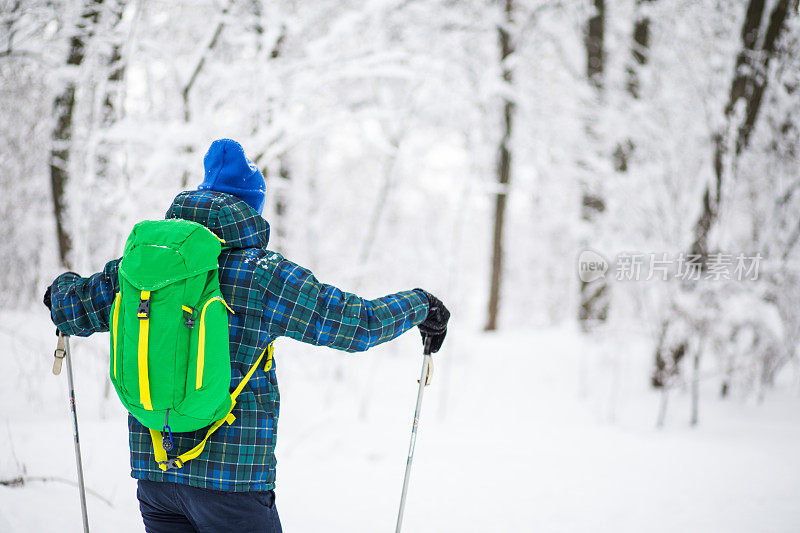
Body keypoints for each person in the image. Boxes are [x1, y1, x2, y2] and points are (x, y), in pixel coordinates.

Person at [43, 138, 450, 533]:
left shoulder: (142, 265)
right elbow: (357, 325)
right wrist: (421, 304)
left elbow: (72, 307)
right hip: (233, 483)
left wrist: (60, 288)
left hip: (155, 478)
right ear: (252, 205)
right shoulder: (263, 273)